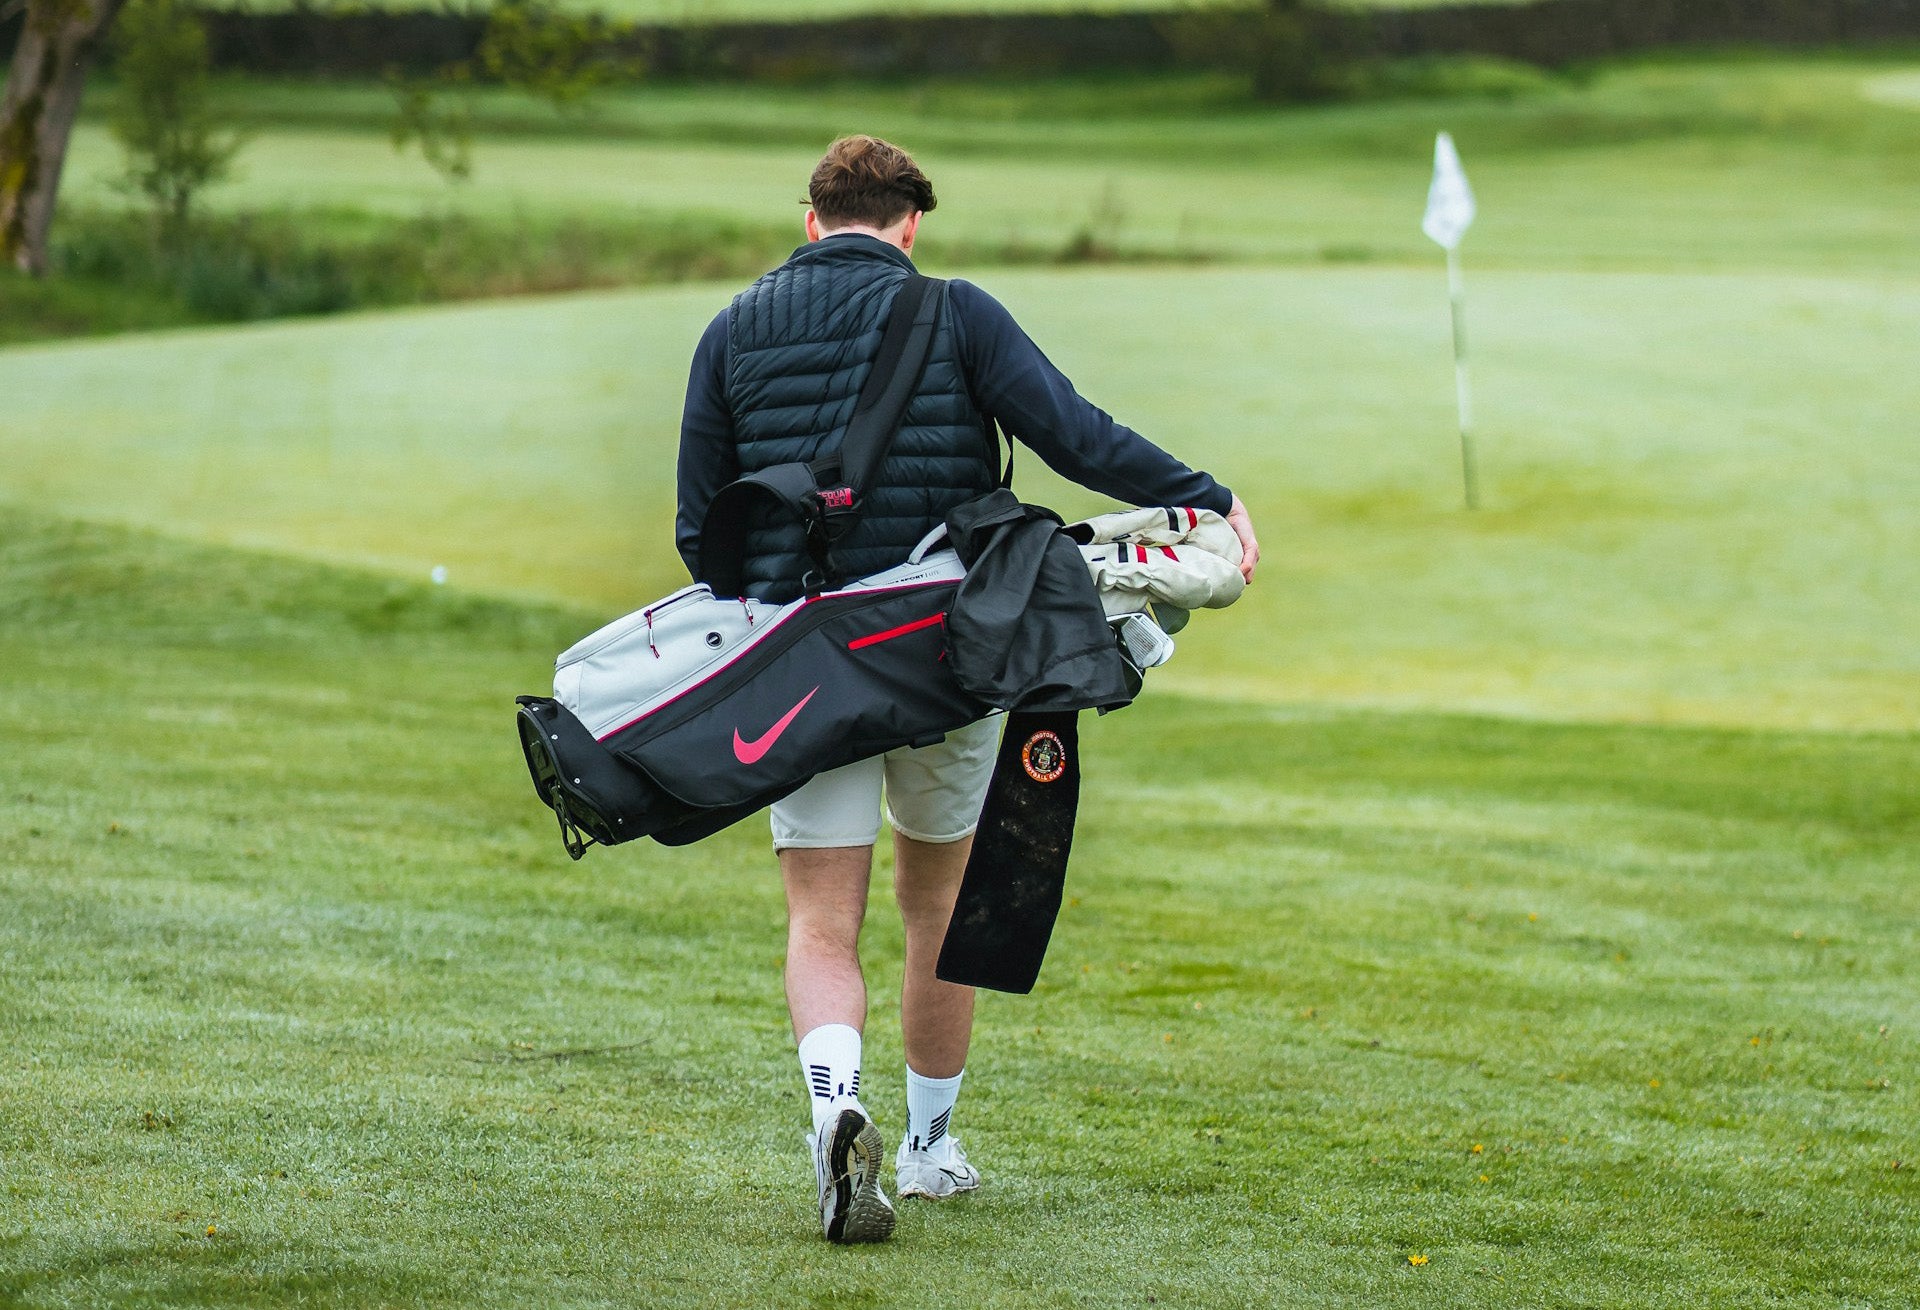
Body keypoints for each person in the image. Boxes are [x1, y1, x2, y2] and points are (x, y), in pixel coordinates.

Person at [675, 135, 1259, 1245]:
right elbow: (1076, 436)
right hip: (947, 657)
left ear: (811, 222)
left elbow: (699, 531)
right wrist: (1207, 500)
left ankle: (836, 1111)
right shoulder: (955, 310)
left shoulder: (732, 328)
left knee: (820, 915)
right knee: (932, 902)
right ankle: (934, 1145)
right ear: (910, 226)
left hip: (804, 662)